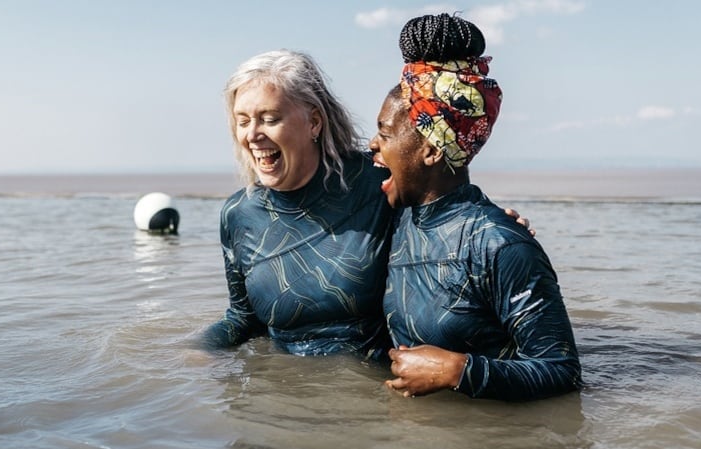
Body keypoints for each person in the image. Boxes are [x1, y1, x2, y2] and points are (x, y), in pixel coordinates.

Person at [202, 49, 533, 361]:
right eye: (243, 121)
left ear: (314, 122)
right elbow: (242, 318)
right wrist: (194, 352)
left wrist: (495, 233)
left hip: (378, 392)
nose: (253, 135)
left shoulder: (379, 182)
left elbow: (445, 209)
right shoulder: (238, 214)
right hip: (284, 395)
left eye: (269, 119)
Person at [370, 13, 582, 400]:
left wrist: (458, 370)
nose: (371, 144)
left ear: (432, 150)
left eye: (384, 133)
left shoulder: (499, 244)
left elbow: (562, 371)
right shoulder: (400, 218)